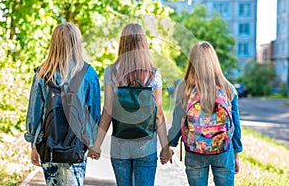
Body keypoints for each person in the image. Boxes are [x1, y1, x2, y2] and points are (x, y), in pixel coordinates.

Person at [88, 23, 173, 186]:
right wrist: (165, 147)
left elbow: (108, 111)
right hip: (146, 143)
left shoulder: (111, 72)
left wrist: (96, 145)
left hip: (120, 142)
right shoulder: (153, 74)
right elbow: (159, 114)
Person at [24, 23, 101, 185]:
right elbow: (94, 113)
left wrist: (33, 143)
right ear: (76, 43)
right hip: (77, 146)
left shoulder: (42, 74)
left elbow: (34, 113)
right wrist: (94, 142)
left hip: (48, 145)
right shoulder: (87, 73)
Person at [167, 41, 243, 186]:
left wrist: (170, 144)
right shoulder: (228, 88)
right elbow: (236, 125)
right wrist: (236, 153)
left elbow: (177, 122)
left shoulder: (185, 89)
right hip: (223, 150)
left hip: (195, 150)